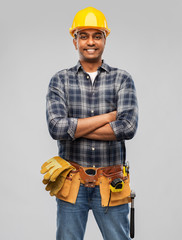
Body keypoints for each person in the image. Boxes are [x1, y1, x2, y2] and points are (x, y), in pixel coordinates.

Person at [46, 6, 138, 240]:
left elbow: (127, 128)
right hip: (71, 182)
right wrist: (108, 117)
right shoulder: (60, 80)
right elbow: (56, 128)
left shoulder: (122, 79)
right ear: (74, 40)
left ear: (105, 39)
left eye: (97, 35)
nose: (90, 42)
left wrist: (74, 129)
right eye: (83, 36)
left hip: (111, 182)